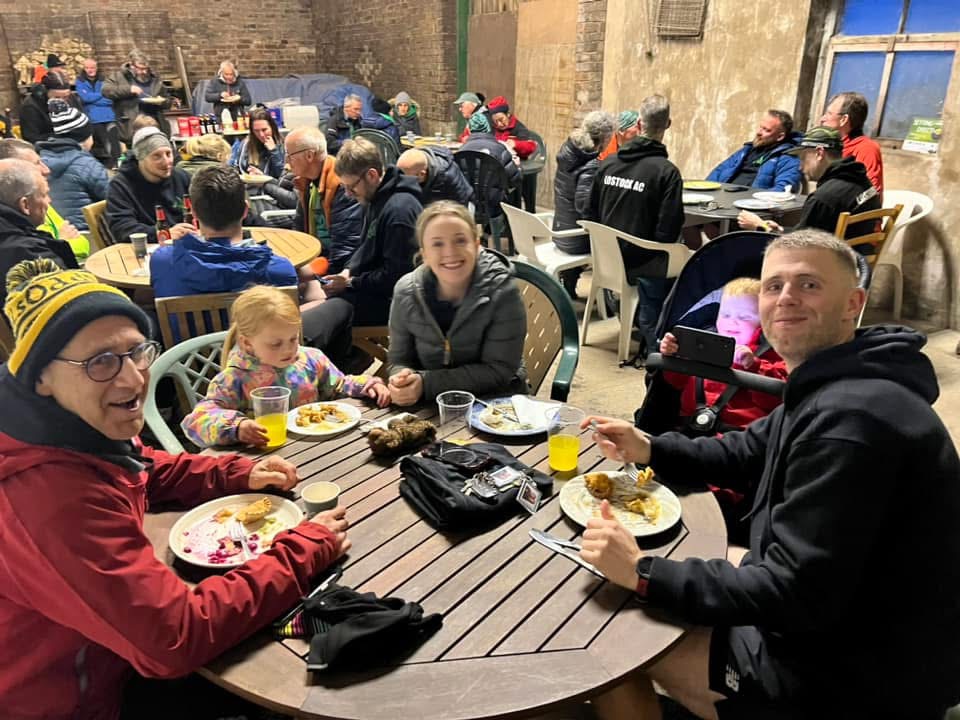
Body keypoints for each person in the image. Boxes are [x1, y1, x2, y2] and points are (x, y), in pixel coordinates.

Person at [580, 229, 960, 719]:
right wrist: (649, 445)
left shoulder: (852, 422)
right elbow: (745, 450)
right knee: (676, 567)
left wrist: (641, 571)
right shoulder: (841, 376)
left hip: (857, 675)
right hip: (851, 616)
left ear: (854, 303)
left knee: (611, 640)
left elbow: (794, 594)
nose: (785, 298)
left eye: (809, 285)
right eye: (773, 285)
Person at [0, 258, 351, 719]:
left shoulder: (69, 428)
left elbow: (143, 466)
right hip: (82, 701)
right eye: (101, 362)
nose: (133, 379)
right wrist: (303, 550)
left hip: (116, 652)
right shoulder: (46, 499)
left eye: (135, 352)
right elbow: (176, 637)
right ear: (40, 377)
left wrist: (235, 473)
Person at [182, 284, 389, 447]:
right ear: (247, 343)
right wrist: (237, 426)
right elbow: (197, 420)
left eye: (293, 339)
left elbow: (339, 385)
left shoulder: (311, 359)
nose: (288, 350)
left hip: (316, 448)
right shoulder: (234, 379)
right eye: (275, 344)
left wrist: (366, 385)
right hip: (264, 457)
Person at [387, 201, 527, 406]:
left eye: (460, 240)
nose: (450, 251)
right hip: (432, 405)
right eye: (437, 244)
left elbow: (499, 369)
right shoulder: (406, 292)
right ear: (424, 254)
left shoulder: (502, 291)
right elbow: (398, 360)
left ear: (477, 246)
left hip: (495, 402)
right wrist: (402, 379)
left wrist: (425, 384)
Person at [589, 93, 684, 360]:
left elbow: (589, 213)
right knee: (679, 264)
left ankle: (631, 315)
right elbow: (667, 233)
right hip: (643, 265)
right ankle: (657, 348)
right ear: (668, 125)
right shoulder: (667, 173)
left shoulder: (608, 164)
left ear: (639, 125)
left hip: (607, 260)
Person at [322, 137, 423, 327]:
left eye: (351, 187)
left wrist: (351, 282)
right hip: (377, 288)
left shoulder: (399, 212)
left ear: (371, 175)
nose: (348, 194)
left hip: (398, 303)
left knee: (329, 316)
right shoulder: (376, 197)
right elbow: (366, 246)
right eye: (344, 187)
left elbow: (396, 276)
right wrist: (347, 271)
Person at [738, 127, 881, 246]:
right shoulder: (863, 182)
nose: (800, 167)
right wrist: (778, 229)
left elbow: (798, 247)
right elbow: (810, 233)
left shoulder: (824, 198)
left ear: (819, 153)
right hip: (855, 259)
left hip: (828, 264)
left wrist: (760, 226)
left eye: (802, 158)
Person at [552, 110, 616, 298]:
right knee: (614, 239)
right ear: (605, 138)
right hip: (574, 241)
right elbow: (584, 207)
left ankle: (569, 282)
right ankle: (609, 296)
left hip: (559, 230)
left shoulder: (569, 151)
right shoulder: (590, 165)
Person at [0, 158, 78, 308]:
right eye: (44, 195)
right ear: (25, 205)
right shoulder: (31, 256)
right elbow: (74, 305)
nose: (49, 200)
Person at [285, 126, 363, 274]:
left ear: (309, 156)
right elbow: (298, 230)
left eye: (290, 155)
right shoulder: (306, 181)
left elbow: (345, 247)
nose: (287, 161)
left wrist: (321, 280)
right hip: (313, 258)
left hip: (335, 267)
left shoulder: (342, 185)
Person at [0, 139, 88, 261]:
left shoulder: (38, 200)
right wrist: (61, 243)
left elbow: (82, 243)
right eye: (35, 164)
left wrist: (61, 243)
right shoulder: (32, 205)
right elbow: (47, 256)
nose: (46, 170)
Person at [106, 126, 192, 244]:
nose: (166, 161)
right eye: (157, 156)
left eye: (168, 154)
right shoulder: (120, 185)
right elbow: (121, 228)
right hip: (146, 247)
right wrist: (163, 234)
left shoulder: (181, 177)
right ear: (140, 158)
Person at [36, 100, 110, 232]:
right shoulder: (88, 164)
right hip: (86, 233)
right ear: (85, 137)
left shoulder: (39, 162)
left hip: (53, 233)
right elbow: (112, 198)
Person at [459, 112, 521, 241]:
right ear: (488, 128)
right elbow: (515, 179)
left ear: (469, 130)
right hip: (495, 203)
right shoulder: (499, 149)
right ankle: (506, 237)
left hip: (470, 203)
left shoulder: (462, 150)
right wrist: (516, 166)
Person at [706, 110, 801, 191]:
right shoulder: (746, 151)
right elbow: (719, 171)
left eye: (766, 130)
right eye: (761, 127)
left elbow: (783, 190)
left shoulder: (788, 158)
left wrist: (755, 202)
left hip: (751, 203)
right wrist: (705, 191)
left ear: (780, 136)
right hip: (723, 195)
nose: (759, 132)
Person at [820, 91, 883, 195]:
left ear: (844, 119)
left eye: (829, 113)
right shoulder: (830, 144)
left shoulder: (866, 149)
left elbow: (871, 194)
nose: (822, 119)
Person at [102, 49, 171, 143]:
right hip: (131, 125)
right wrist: (128, 90)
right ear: (131, 65)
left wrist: (162, 102)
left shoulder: (155, 78)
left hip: (155, 124)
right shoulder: (118, 76)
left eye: (146, 68)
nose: (144, 72)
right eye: (140, 68)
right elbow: (106, 91)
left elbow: (167, 99)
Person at [75, 57, 120, 169]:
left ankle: (118, 163)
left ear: (96, 68)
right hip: (94, 117)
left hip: (109, 115)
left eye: (92, 67)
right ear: (84, 69)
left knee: (114, 139)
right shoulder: (80, 81)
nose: (90, 70)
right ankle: (112, 163)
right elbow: (85, 98)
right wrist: (101, 94)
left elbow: (110, 98)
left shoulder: (104, 80)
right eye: (87, 68)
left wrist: (94, 99)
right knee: (105, 140)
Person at [18, 69, 81, 145]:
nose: (62, 101)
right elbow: (32, 138)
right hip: (46, 148)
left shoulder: (71, 98)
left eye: (65, 97)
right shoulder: (30, 107)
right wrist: (64, 136)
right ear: (45, 91)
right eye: (56, 97)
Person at [396, 146, 474, 207]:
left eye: (406, 178)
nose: (402, 181)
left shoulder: (448, 176)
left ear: (422, 174)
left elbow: (461, 205)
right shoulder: (413, 166)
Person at [229, 107, 285, 179]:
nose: (261, 135)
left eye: (264, 130)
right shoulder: (245, 144)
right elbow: (233, 168)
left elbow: (283, 177)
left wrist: (274, 151)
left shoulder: (283, 145)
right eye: (256, 131)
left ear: (272, 128)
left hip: (272, 185)